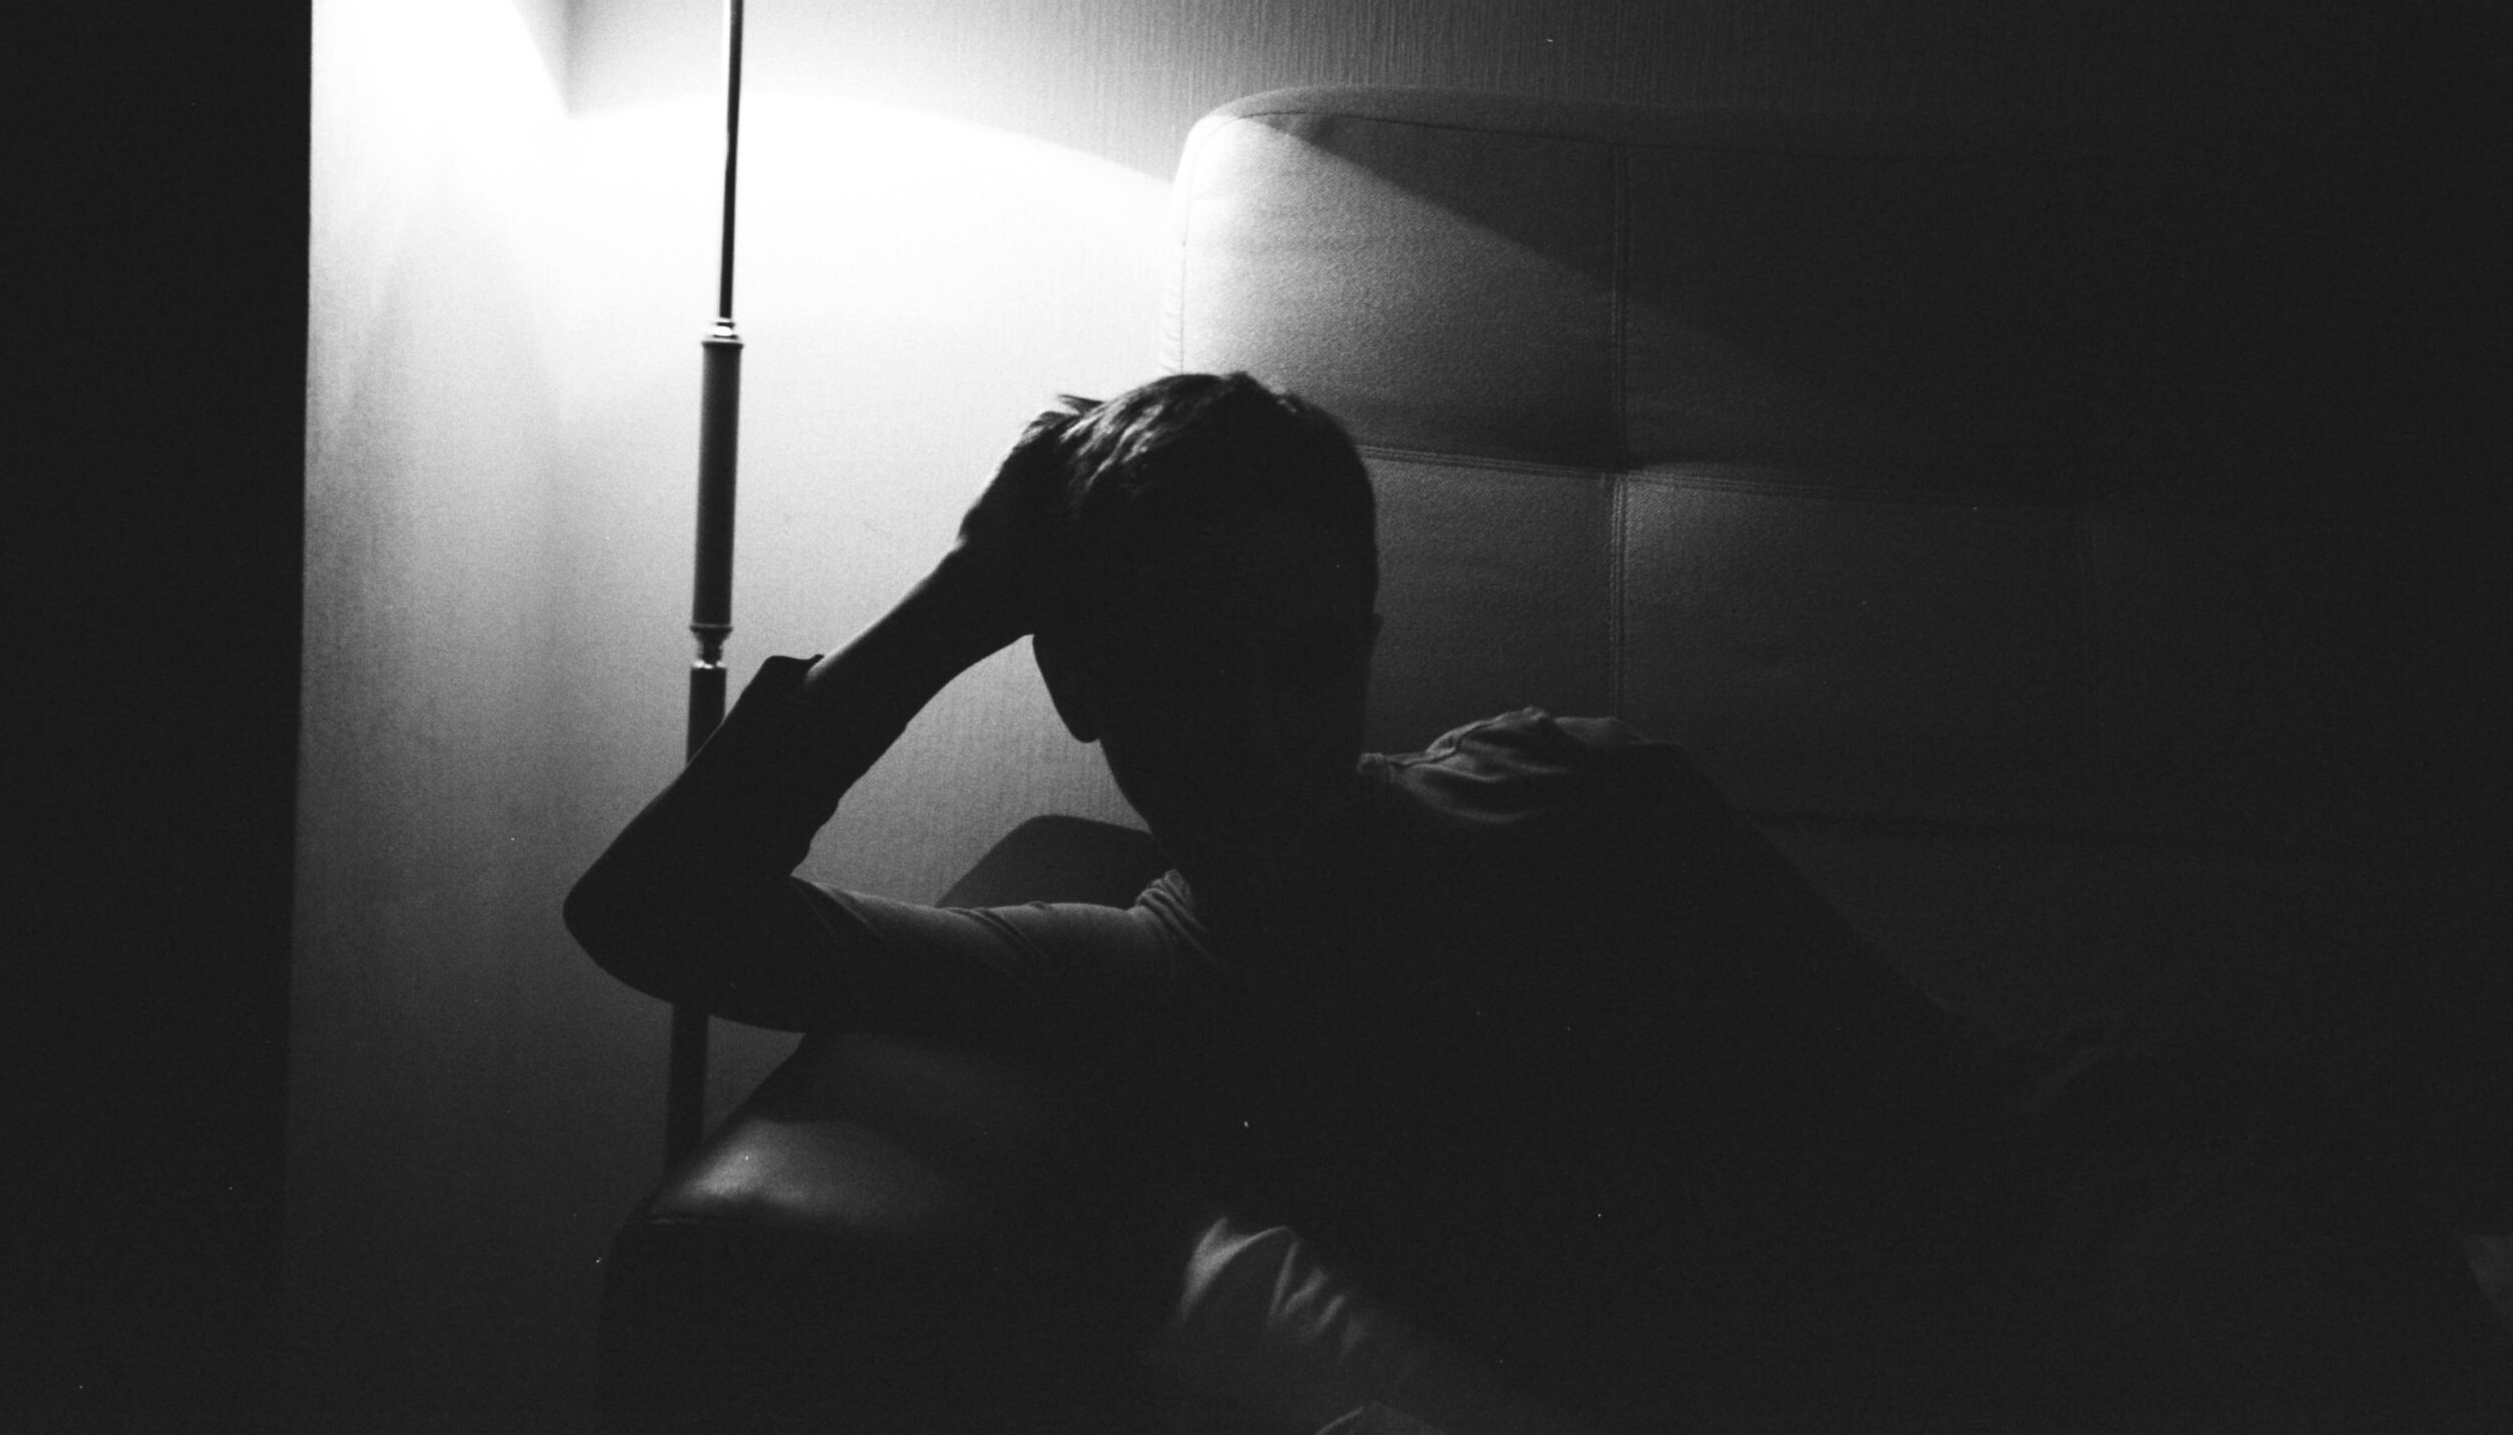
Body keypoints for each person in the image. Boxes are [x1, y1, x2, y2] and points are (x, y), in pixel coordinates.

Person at [569, 373, 2509, 1434]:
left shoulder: (1554, 783)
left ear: (1366, 640)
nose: (1259, 723)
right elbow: (657, 916)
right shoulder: (1148, 973)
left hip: (2103, 1182)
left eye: (1308, 654)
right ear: (1078, 685)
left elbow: (1927, 1115)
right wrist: (956, 606)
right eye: (1187, 667)